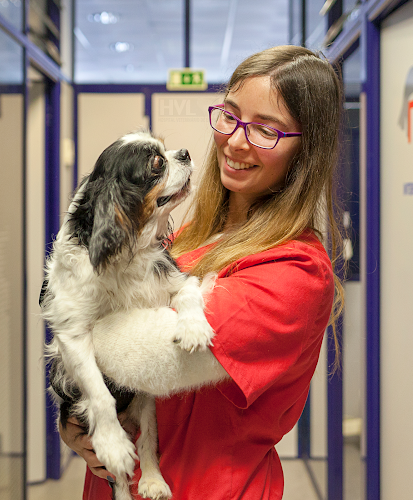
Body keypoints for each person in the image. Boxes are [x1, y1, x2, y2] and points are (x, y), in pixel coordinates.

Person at [59, 44, 344, 500]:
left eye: (266, 131)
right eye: (229, 116)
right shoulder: (193, 232)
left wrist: (72, 326)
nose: (234, 141)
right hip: (122, 478)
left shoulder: (296, 273)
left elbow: (143, 360)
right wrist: (78, 419)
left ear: (305, 151)